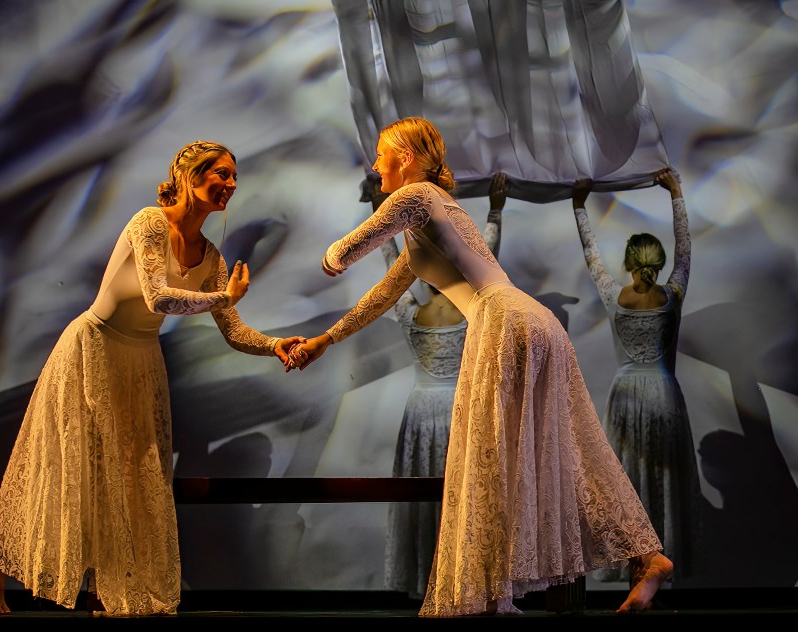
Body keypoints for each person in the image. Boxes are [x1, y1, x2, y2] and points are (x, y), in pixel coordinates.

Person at [286, 117, 673, 616]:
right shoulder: (434, 215)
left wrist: (330, 256)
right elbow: (381, 296)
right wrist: (325, 339)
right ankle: (646, 557)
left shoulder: (415, 196)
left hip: (503, 322)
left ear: (405, 157)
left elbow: (340, 255)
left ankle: (491, 597)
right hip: (531, 320)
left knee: (490, 455)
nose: (376, 166)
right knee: (569, 447)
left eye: (381, 155)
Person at [0, 140, 304, 617]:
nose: (231, 184)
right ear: (190, 176)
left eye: (234, 176)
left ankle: (115, 588)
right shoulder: (149, 222)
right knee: (64, 465)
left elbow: (233, 331)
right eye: (221, 174)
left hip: (141, 363)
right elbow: (158, 297)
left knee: (131, 476)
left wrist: (274, 345)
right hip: (93, 348)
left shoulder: (211, 257)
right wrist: (223, 298)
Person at [364, 172, 504, 599]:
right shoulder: (472, 307)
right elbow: (486, 251)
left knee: (425, 498)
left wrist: (378, 207)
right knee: (462, 497)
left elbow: (390, 257)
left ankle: (428, 577)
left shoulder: (408, 309)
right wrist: (497, 208)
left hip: (422, 412)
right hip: (459, 408)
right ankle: (460, 579)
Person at [571, 169, 702, 584]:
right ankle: (657, 565)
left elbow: (591, 252)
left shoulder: (614, 296)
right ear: (657, 263)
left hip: (626, 396)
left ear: (629, 264)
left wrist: (579, 206)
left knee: (625, 481)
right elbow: (685, 248)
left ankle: (636, 567)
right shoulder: (673, 295)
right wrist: (676, 192)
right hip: (663, 394)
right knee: (663, 479)